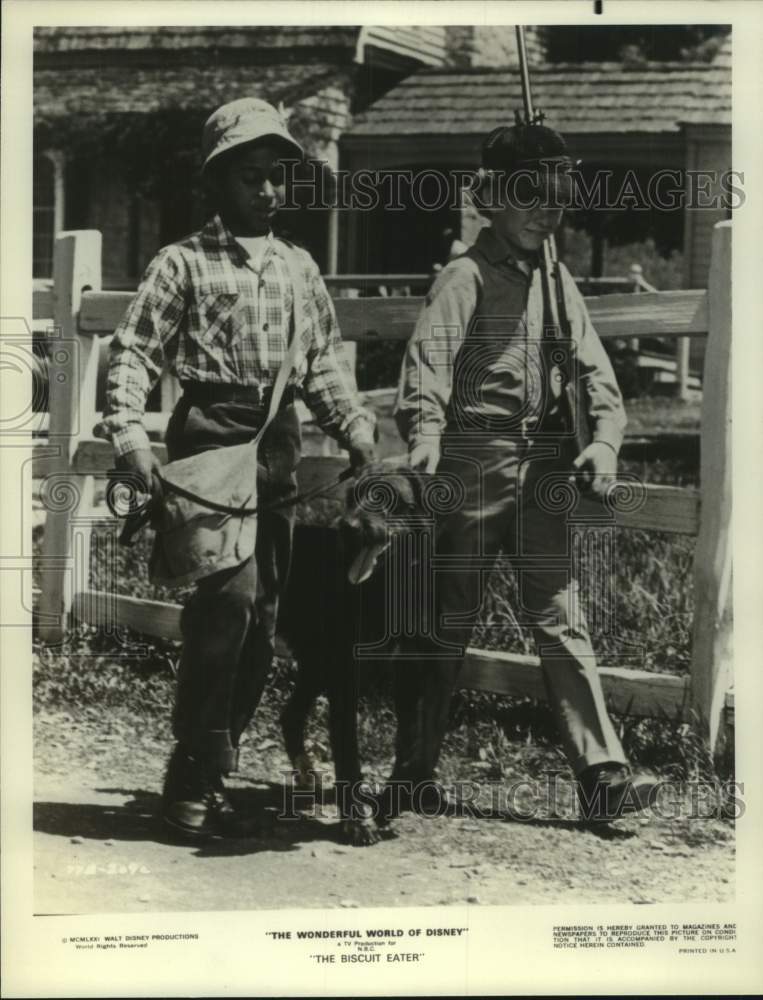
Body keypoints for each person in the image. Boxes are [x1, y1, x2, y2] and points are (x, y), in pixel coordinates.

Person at [97, 98, 376, 839]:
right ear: (217, 181)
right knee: (228, 601)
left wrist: (353, 427)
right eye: (250, 176)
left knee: (264, 617)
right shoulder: (183, 262)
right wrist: (130, 438)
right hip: (210, 441)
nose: (267, 190)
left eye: (277, 176)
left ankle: (211, 767)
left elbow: (321, 362)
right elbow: (132, 352)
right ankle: (190, 772)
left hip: (276, 447)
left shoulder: (298, 267)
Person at [391, 122, 657, 823]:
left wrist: (605, 442)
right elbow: (427, 363)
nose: (546, 212)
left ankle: (602, 774)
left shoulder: (558, 281)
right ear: (489, 199)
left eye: (557, 197)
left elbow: (595, 373)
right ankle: (412, 770)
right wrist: (425, 433)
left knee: (560, 616)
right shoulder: (464, 276)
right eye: (528, 196)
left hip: (544, 465)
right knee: (448, 620)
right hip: (472, 460)